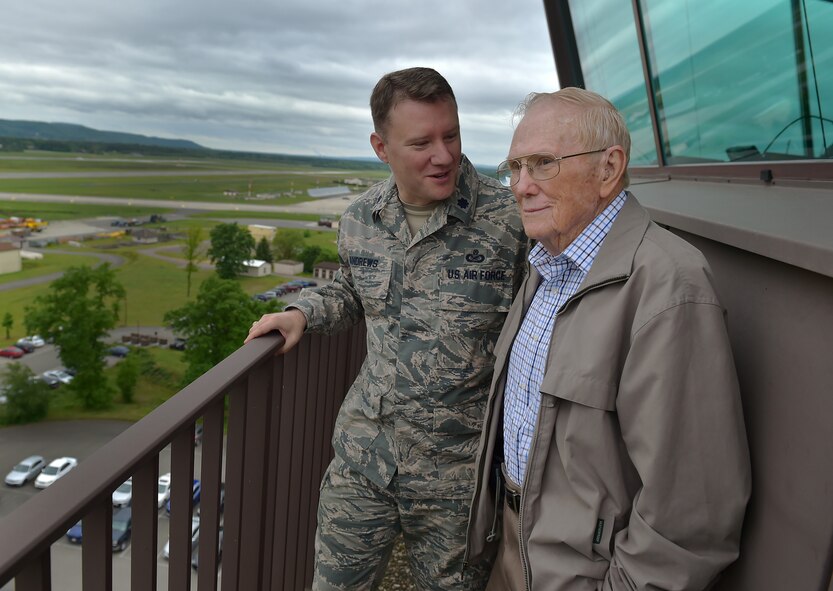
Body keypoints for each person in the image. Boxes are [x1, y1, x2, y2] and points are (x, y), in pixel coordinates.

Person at [245, 67, 528, 590]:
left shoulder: (510, 221)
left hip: (457, 480)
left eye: (451, 135)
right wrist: (302, 312)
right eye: (421, 142)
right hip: (364, 461)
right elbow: (351, 292)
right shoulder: (360, 219)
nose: (443, 155)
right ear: (381, 147)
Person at [465, 88, 751, 591]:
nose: (520, 186)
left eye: (542, 164)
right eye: (514, 167)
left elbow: (690, 515)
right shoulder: (547, 265)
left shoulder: (667, 286)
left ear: (608, 168)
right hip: (512, 548)